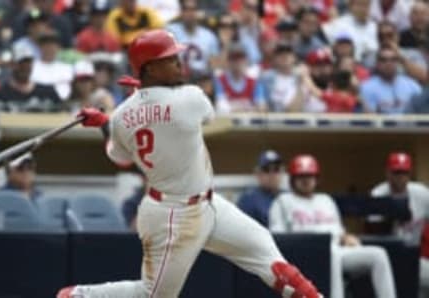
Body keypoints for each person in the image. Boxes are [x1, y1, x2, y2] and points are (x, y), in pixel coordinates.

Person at [57, 29, 322, 298]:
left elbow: (120, 158)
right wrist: (149, 96)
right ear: (150, 68)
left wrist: (105, 123)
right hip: (174, 214)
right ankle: (77, 295)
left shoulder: (122, 116)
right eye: (169, 59)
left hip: (208, 204)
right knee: (153, 295)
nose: (179, 63)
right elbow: (198, 112)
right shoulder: (191, 98)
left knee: (268, 255)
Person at [270, 154, 397, 298]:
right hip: (308, 254)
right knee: (332, 253)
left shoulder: (326, 200)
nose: (306, 180)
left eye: (310, 176)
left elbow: (339, 231)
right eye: (301, 176)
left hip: (337, 249)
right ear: (292, 179)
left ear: (317, 178)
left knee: (378, 254)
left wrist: (346, 237)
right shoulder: (282, 201)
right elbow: (279, 238)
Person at [371, 152, 429, 297]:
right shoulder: (378, 194)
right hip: (387, 257)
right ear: (388, 173)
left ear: (410, 174)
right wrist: (392, 216)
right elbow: (371, 233)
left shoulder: (421, 193)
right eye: (396, 172)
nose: (400, 177)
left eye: (404, 173)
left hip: (415, 256)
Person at [0, 46, 61, 112]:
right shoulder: (1, 94)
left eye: (28, 63)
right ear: (12, 65)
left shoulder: (48, 92)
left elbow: (63, 112)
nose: (25, 67)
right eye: (21, 63)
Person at [360, 48, 422, 114]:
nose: (388, 63)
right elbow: (370, 118)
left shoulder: (412, 86)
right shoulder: (367, 87)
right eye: (383, 60)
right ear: (377, 64)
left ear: (398, 63)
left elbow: (421, 112)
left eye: (393, 60)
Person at [166, 0, 220, 74]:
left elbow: (215, 66)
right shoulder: (170, 31)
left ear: (198, 12)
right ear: (181, 12)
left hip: (201, 78)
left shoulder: (209, 36)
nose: (189, 13)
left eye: (193, 9)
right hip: (177, 77)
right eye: (186, 9)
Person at [214, 43, 266, 113]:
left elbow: (261, 106)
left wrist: (234, 108)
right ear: (229, 62)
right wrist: (246, 108)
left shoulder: (254, 82)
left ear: (246, 60)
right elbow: (220, 107)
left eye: (241, 58)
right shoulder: (220, 80)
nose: (238, 62)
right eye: (234, 59)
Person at [237, 150, 284, 227]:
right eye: (266, 169)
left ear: (282, 172)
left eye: (276, 169)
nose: (272, 174)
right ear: (257, 173)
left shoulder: (289, 196)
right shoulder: (248, 200)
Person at [30, 30, 74, 100]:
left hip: (63, 106)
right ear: (39, 46)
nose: (49, 47)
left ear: (58, 46)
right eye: (45, 44)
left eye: (52, 44)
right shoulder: (31, 66)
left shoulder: (67, 68)